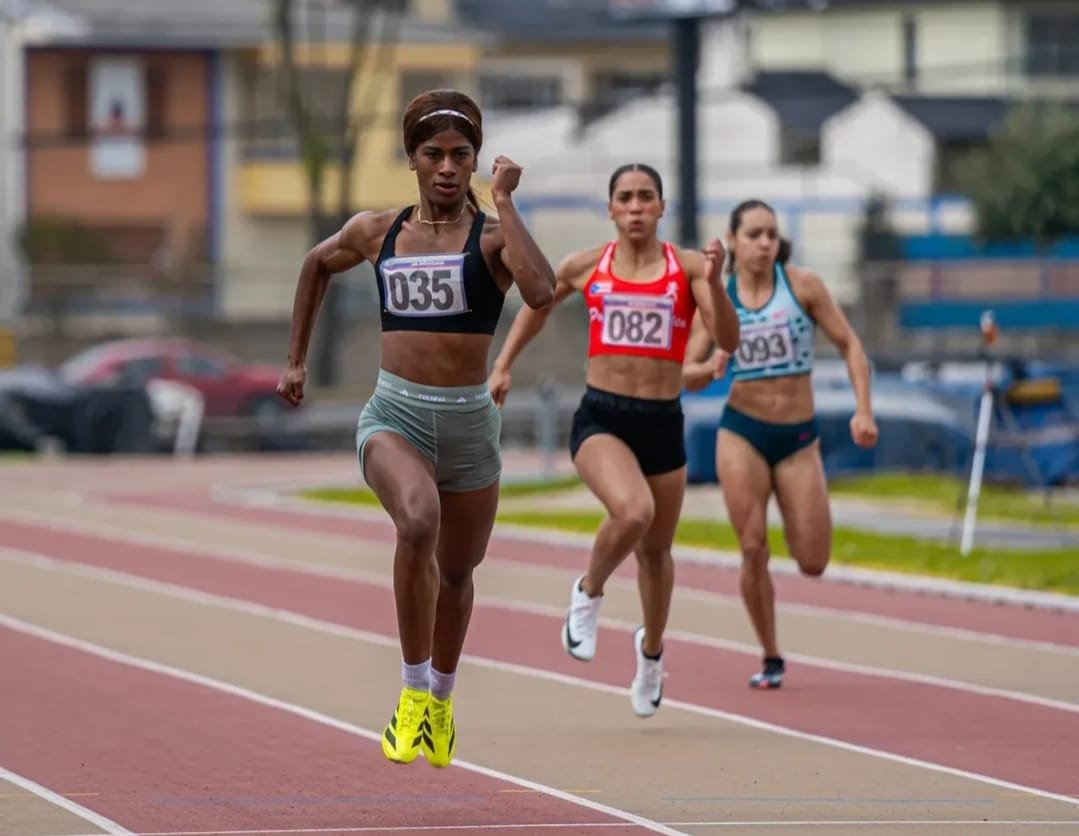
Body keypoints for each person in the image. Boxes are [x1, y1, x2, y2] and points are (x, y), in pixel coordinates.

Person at [275, 89, 555, 767]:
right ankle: (406, 691)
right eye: (434, 155)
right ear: (411, 160)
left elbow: (542, 291)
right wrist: (294, 361)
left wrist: (509, 203)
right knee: (417, 521)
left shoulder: (492, 238)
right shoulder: (379, 231)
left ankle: (438, 700)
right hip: (393, 415)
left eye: (461, 155)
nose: (448, 168)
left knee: (457, 575)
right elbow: (316, 263)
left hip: (468, 429)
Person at [488, 163, 739, 717]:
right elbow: (538, 307)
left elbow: (728, 337)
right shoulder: (586, 266)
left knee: (656, 553)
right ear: (610, 209)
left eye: (645, 197)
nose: (634, 207)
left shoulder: (690, 268)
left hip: (662, 422)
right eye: (624, 197)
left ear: (661, 207)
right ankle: (589, 590)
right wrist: (503, 364)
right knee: (634, 512)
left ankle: (651, 654)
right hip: (602, 417)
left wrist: (717, 285)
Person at [683, 199, 878, 690]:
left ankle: (796, 545)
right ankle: (770, 654)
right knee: (752, 547)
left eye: (771, 234)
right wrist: (709, 369)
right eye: (754, 234)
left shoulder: (803, 286)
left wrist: (863, 408)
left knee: (813, 560)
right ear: (732, 241)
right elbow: (684, 372)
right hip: (742, 432)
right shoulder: (718, 297)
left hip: (797, 438)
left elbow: (850, 344)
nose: (765, 242)